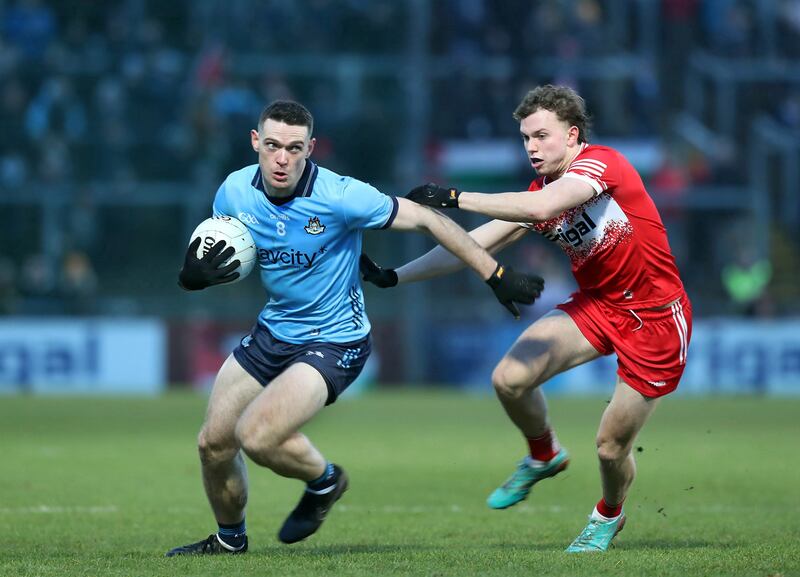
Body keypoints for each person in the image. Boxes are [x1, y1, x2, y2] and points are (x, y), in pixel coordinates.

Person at [166, 100, 544, 556]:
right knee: (213, 444)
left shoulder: (342, 195)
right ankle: (229, 541)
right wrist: (195, 277)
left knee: (259, 436)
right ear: (255, 143)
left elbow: (427, 219)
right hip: (273, 331)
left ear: (310, 147)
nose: (281, 159)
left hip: (335, 339)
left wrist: (494, 275)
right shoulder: (232, 192)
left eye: (293, 147)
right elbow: (232, 255)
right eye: (271, 146)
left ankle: (325, 482)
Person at [361, 85, 692, 553]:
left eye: (541, 136)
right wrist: (395, 276)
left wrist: (453, 195)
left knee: (610, 447)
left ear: (573, 135)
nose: (531, 147)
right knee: (509, 379)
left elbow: (541, 208)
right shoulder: (539, 192)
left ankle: (608, 515)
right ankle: (544, 454)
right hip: (598, 305)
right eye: (524, 138)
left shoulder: (601, 164)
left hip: (655, 318)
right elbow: (467, 248)